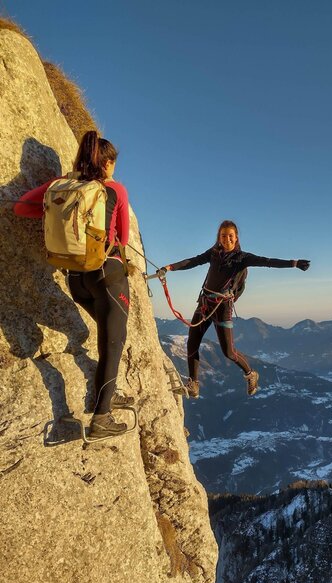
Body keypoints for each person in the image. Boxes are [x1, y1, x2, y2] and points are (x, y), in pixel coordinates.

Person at [14, 130, 133, 438]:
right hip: (108, 273)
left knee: (109, 335)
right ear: (106, 163)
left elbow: (21, 207)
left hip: (76, 279)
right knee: (114, 339)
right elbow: (123, 237)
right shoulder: (115, 190)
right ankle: (102, 417)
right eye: (113, 165)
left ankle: (109, 389)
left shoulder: (60, 186)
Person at [162, 220, 310, 398]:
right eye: (223, 236)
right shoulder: (213, 254)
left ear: (236, 237)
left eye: (230, 236)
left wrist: (293, 263)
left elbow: (267, 262)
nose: (227, 239)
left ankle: (250, 373)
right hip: (205, 304)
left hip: (222, 307)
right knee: (192, 342)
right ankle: (193, 384)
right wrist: (169, 267)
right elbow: (193, 261)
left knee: (229, 352)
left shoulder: (242, 258)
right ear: (219, 237)